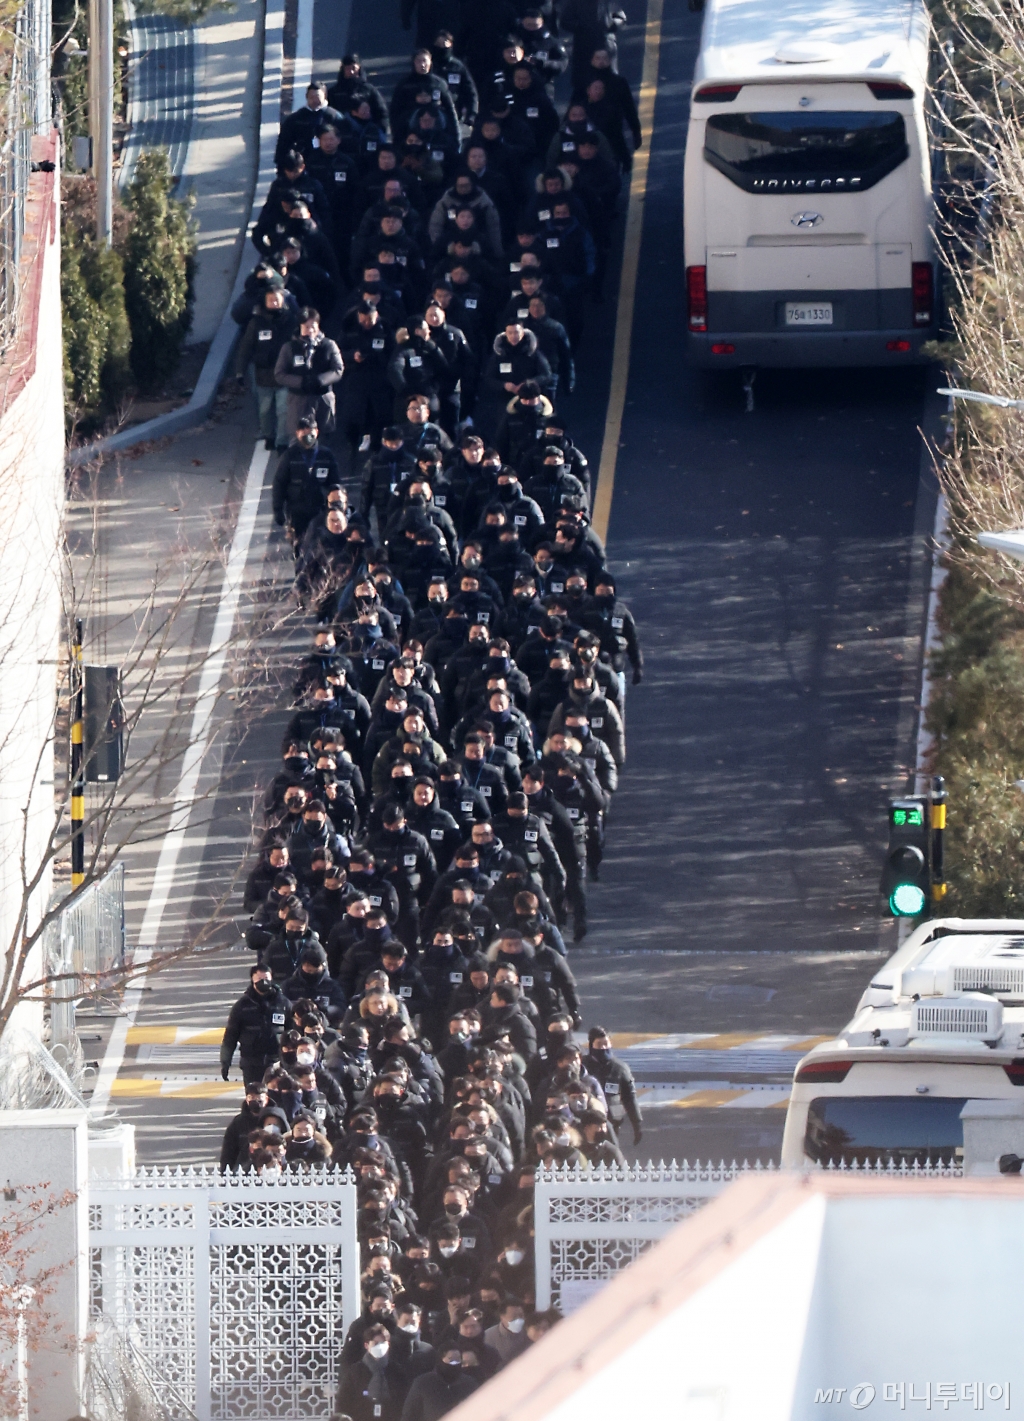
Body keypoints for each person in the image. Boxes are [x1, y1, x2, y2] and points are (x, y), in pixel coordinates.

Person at [220, 965, 290, 1084]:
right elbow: (230, 1036)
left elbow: (292, 1031)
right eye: (259, 979)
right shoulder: (242, 1006)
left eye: (266, 978)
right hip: (251, 1062)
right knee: (255, 1097)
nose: (264, 982)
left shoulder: (283, 1003)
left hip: (276, 1061)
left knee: (276, 1098)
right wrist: (225, 1061)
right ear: (252, 980)